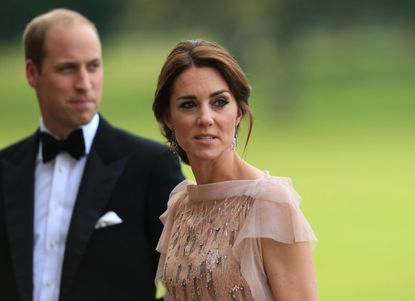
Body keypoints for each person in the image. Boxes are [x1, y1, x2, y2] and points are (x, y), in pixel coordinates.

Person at [0, 8, 184, 301]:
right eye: (68, 68)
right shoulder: (5, 169)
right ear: (32, 73)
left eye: (94, 66)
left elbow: (192, 280)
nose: (84, 83)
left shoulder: (150, 166)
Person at [152, 40, 318, 301]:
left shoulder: (270, 201)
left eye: (219, 102)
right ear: (168, 118)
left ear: (239, 112)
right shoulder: (180, 204)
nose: (206, 118)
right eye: (188, 104)